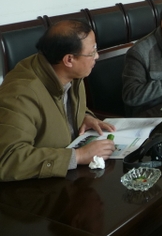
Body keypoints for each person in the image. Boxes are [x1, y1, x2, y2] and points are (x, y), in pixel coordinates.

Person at [0, 20, 116, 181]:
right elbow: (8, 159)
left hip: (68, 177)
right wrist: (79, 156)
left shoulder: (71, 74)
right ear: (69, 60)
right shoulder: (20, 94)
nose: (97, 56)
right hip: (35, 188)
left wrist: (84, 116)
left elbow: (61, 106)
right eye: (92, 52)